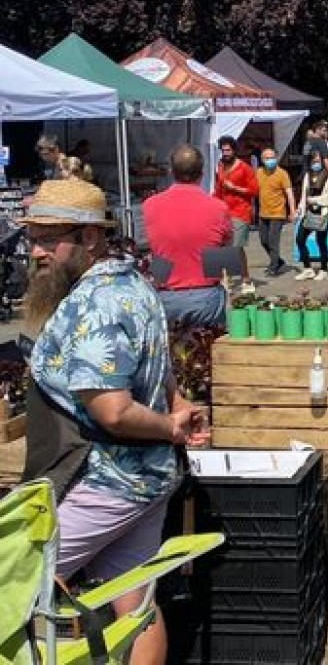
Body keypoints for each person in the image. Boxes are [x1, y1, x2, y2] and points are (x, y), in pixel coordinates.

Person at [22, 178, 207, 665]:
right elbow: (158, 371)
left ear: (90, 238)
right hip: (145, 479)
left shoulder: (94, 304)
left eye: (49, 239)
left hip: (103, 481)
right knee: (136, 601)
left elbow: (114, 411)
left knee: (14, 580)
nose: (37, 251)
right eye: (32, 238)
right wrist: (178, 405)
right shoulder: (134, 283)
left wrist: (172, 427)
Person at [143, 144, 233, 329]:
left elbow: (157, 250)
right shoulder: (218, 208)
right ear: (201, 173)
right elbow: (224, 254)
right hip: (206, 296)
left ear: (170, 171)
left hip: (166, 295)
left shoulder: (150, 205)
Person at [213, 135, 259, 293]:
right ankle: (227, 279)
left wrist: (235, 188)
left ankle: (246, 279)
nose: (225, 153)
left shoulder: (244, 168)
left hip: (241, 211)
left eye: (228, 150)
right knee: (224, 246)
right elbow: (218, 188)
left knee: (237, 247)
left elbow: (254, 190)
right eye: (223, 150)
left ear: (234, 151)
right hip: (224, 211)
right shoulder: (220, 166)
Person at [295, 150, 328, 281]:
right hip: (308, 213)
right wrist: (300, 208)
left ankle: (324, 270)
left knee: (321, 242)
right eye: (313, 161)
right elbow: (304, 194)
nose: (316, 164)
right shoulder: (307, 175)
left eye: (318, 161)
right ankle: (308, 268)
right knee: (300, 239)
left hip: (323, 213)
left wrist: (314, 200)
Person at [256, 147, 296, 277]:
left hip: (278, 213)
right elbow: (254, 191)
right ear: (262, 160)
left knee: (273, 241)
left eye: (272, 157)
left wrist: (292, 211)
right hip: (263, 213)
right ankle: (278, 261)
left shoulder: (282, 173)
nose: (270, 160)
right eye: (267, 158)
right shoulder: (258, 173)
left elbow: (289, 193)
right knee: (264, 241)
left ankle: (273, 267)